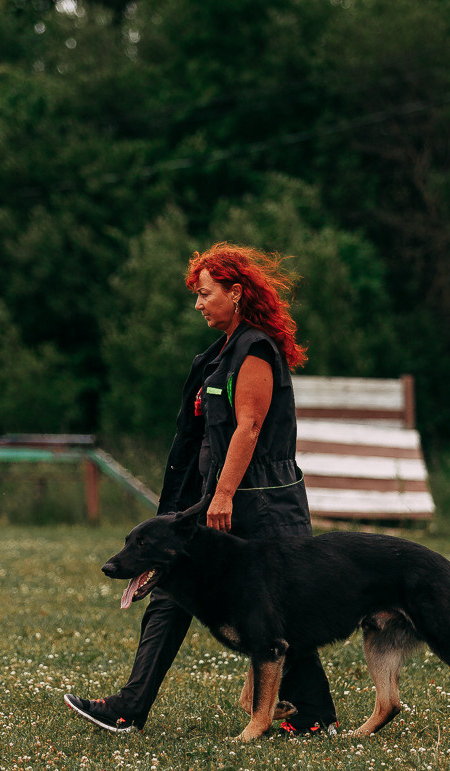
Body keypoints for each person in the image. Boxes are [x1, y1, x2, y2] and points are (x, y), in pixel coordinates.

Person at [64, 242, 339, 736]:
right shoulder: (218, 354)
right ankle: (131, 706)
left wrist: (224, 494)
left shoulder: (254, 349)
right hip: (215, 499)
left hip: (261, 503)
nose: (198, 303)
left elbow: (249, 427)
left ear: (236, 293)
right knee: (170, 582)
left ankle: (314, 715)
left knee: (285, 606)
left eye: (206, 293)